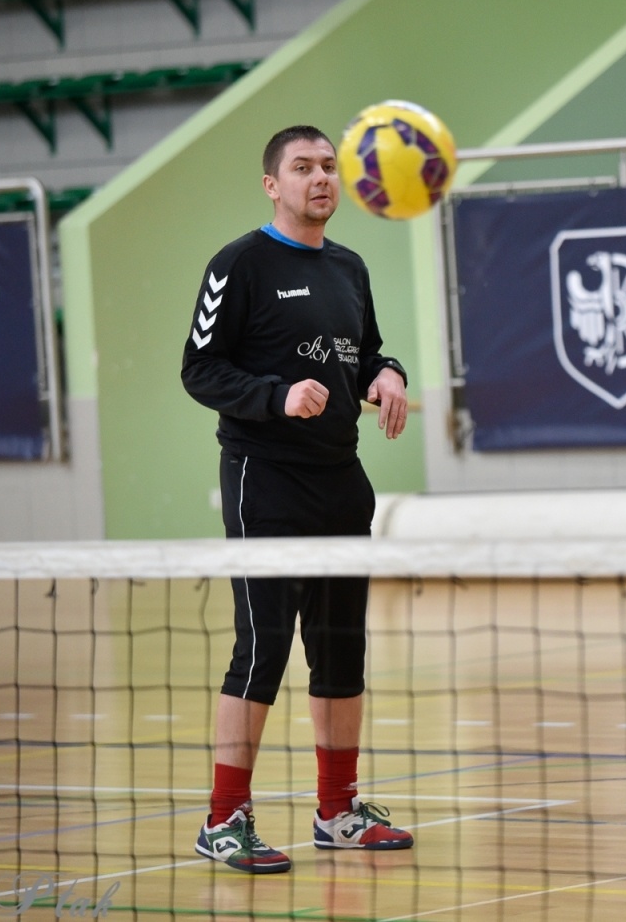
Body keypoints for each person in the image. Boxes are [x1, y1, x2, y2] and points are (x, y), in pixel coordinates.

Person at [181, 124, 414, 874]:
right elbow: (200, 370)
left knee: (342, 649)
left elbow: (366, 349)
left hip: (341, 480)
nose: (320, 178)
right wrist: (276, 397)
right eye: (303, 167)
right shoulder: (239, 264)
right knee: (263, 650)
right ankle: (224, 820)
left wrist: (388, 375)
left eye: (328, 167)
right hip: (265, 479)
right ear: (271, 185)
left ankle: (339, 811)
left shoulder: (348, 267)